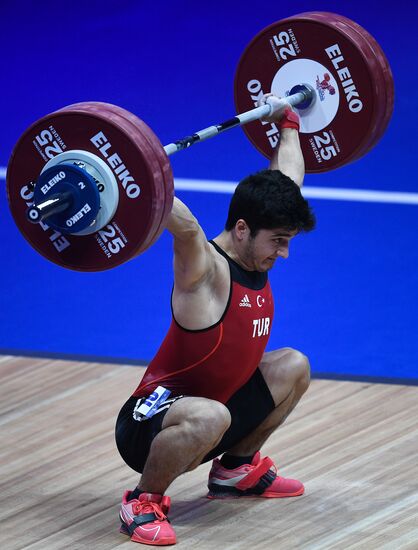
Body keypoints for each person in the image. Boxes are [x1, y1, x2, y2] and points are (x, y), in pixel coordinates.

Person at [115, 94, 316, 546]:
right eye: (278, 242)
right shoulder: (204, 271)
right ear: (241, 229)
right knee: (210, 415)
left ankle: (235, 471)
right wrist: (138, 174)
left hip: (217, 410)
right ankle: (142, 500)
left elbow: (287, 180)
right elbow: (183, 225)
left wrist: (288, 121)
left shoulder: (261, 233)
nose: (282, 254)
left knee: (293, 365)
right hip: (152, 421)